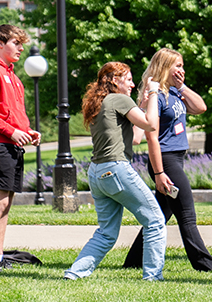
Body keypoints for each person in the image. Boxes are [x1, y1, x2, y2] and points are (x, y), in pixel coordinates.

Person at [122, 48, 212, 275]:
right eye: (178, 66)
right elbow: (146, 134)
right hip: (165, 161)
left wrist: (181, 86)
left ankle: (133, 261)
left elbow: (200, 107)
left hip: (176, 160)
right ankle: (207, 265)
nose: (182, 70)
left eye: (182, 66)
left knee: (160, 215)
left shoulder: (175, 93)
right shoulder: (155, 95)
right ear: (165, 67)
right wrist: (159, 172)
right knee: (187, 215)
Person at [65, 62, 165, 280]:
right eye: (128, 79)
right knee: (156, 221)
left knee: (106, 232)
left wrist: (143, 103)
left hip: (97, 173)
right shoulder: (119, 99)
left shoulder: (101, 103)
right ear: (114, 81)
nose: (131, 84)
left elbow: (136, 137)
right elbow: (151, 125)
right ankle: (153, 277)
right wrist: (154, 92)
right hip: (116, 169)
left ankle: (74, 274)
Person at [0, 24, 41, 271]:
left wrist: (27, 130)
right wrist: (12, 131)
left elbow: (12, 113)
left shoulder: (11, 75)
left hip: (10, 145)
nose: (21, 48)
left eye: (21, 43)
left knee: (7, 203)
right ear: (0, 44)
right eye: (16, 43)